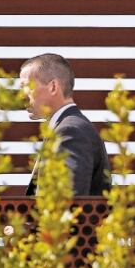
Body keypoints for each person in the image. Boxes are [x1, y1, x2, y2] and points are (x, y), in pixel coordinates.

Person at [20, 53, 111, 197]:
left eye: (27, 87)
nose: (21, 96)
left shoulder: (71, 132)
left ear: (53, 86)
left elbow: (67, 204)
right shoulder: (68, 128)